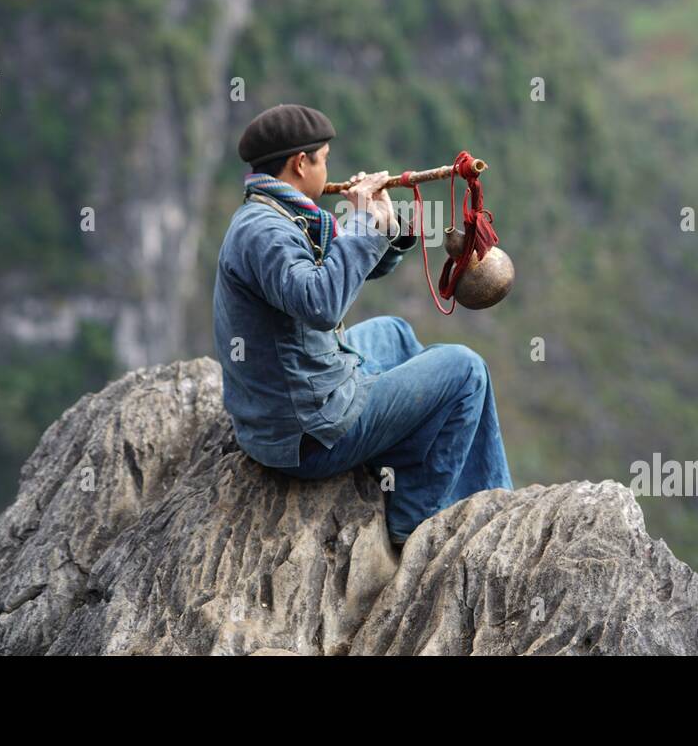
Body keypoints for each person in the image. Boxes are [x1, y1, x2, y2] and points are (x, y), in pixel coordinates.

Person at [212, 103, 514, 548]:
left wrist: (386, 228)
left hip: (289, 405)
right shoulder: (265, 232)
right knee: (467, 371)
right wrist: (360, 223)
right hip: (306, 436)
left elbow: (342, 268)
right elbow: (322, 304)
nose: (328, 166)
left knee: (392, 331)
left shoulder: (278, 212)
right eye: (325, 157)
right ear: (301, 163)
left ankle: (406, 455)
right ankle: (415, 513)